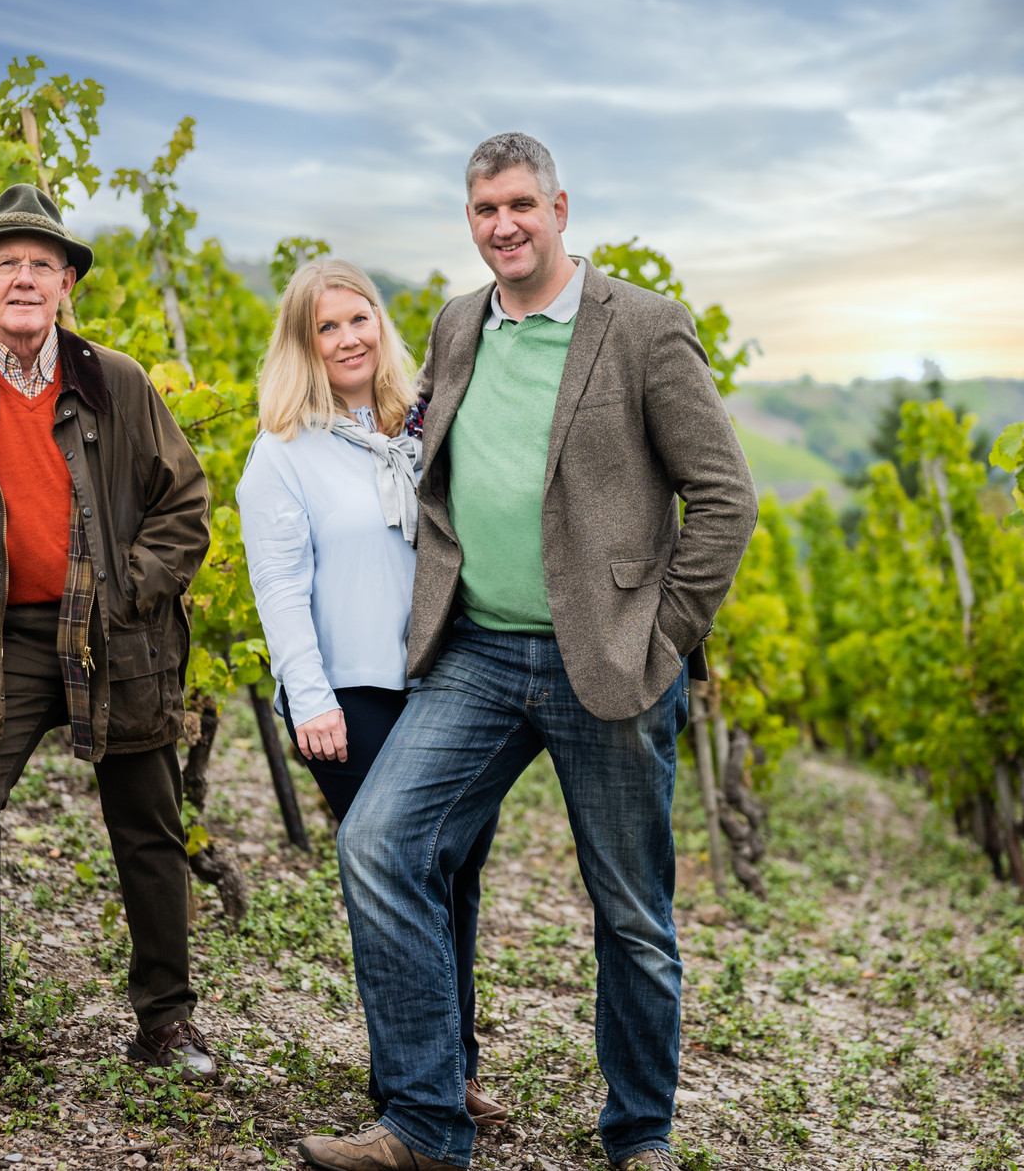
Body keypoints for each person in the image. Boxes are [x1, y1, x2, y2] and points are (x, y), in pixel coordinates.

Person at [298, 134, 757, 1171]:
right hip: (480, 652)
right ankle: (423, 1120)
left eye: (520, 205)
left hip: (611, 661)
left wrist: (665, 632)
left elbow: (726, 497)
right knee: (380, 843)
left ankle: (641, 1132)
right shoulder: (460, 323)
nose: (502, 225)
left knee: (631, 911)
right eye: (483, 210)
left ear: (560, 206)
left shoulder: (643, 327)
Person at [0, 185, 215, 1093]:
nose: (25, 278)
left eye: (43, 264)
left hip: (117, 635)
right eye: (6, 263)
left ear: (67, 284)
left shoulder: (118, 381)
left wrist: (122, 593)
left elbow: (186, 507)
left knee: (148, 818)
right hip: (5, 637)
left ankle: (167, 1023)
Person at [237, 259, 506, 1128]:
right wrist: (307, 697)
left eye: (361, 320)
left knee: (455, 878)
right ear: (302, 344)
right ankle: (409, 1088)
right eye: (327, 327)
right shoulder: (284, 450)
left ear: (381, 328)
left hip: (452, 684)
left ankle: (451, 1069)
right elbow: (278, 586)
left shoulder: (422, 430)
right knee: (397, 879)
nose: (349, 338)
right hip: (348, 697)